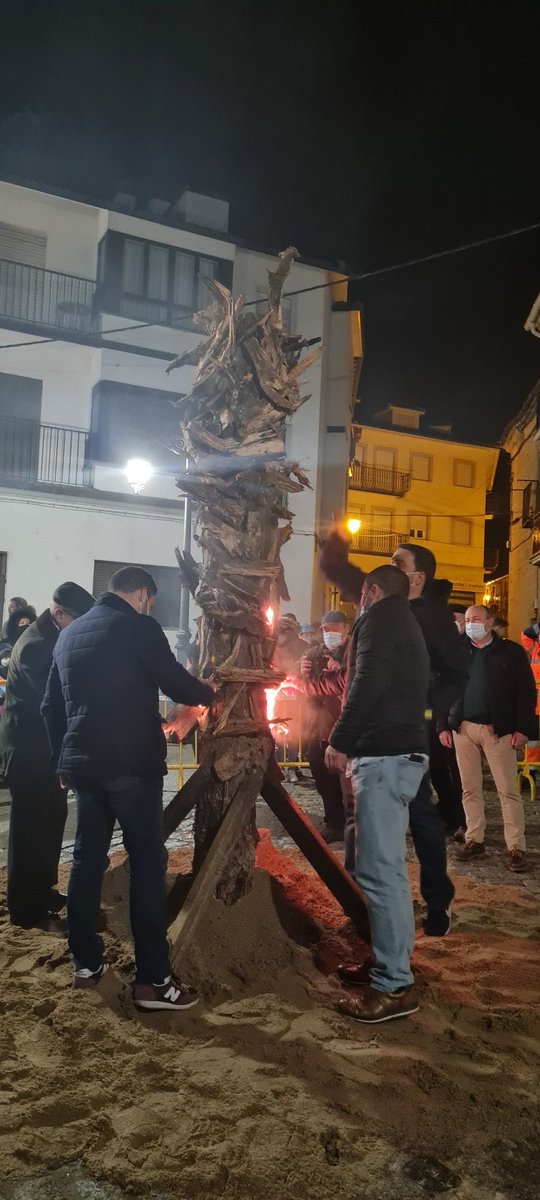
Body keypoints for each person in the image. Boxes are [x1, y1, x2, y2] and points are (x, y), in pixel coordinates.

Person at [42, 565, 215, 1011]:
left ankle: (85, 964)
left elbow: (50, 706)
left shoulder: (69, 634)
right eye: (150, 601)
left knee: (85, 859)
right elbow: (177, 682)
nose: (149, 607)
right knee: (147, 864)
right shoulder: (139, 628)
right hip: (131, 767)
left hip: (83, 767)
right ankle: (153, 981)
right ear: (140, 593)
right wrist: (210, 691)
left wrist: (64, 759)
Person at [321, 528, 463, 936]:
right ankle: (357, 900)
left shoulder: (433, 619)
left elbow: (457, 673)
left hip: (406, 734)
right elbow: (335, 568)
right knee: (356, 818)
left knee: (421, 819)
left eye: (400, 563)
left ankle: (437, 903)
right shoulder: (379, 602)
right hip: (368, 732)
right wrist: (337, 532)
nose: (390, 568)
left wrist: (426, 705)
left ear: (417, 579)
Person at [326, 565, 430, 1024]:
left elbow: (369, 681)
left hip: (385, 758)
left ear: (370, 591)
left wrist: (341, 738)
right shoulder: (401, 619)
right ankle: (388, 961)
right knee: (376, 866)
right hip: (394, 755)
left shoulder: (379, 619)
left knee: (381, 872)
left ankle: (394, 984)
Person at [0, 583, 95, 926]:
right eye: (78, 619)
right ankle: (24, 909)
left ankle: (43, 890)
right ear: (59, 614)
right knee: (28, 831)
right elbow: (52, 702)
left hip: (49, 753)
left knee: (52, 823)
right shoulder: (36, 647)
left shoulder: (55, 637)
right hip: (29, 754)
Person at [449, 605, 536, 872]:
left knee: (507, 791)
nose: (470, 623)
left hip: (497, 731)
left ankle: (516, 847)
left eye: (476, 619)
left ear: (490, 622)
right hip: (464, 729)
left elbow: (526, 692)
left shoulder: (510, 652)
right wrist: (445, 724)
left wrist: (522, 729)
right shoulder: (457, 651)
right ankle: (475, 838)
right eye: (467, 620)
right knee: (469, 788)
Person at [300, 611, 350, 843]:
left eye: (334, 629)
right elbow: (305, 687)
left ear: (346, 629)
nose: (329, 634)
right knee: (322, 776)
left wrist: (339, 669)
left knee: (348, 781)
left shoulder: (354, 653)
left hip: (344, 725)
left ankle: (353, 825)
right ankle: (334, 822)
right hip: (318, 726)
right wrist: (302, 675)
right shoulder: (313, 654)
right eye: (325, 630)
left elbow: (355, 684)